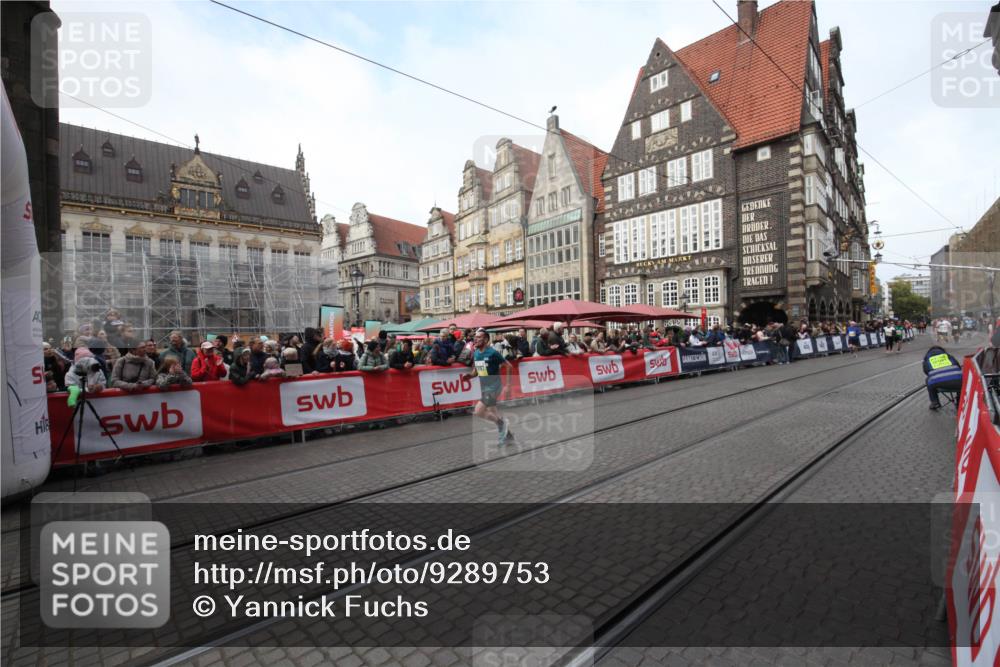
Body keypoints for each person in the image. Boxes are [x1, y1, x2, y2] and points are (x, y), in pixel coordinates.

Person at [465, 328, 515, 446]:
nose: (475, 339)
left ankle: (502, 424)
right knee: (493, 412)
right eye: (474, 337)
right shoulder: (476, 352)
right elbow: (477, 371)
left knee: (478, 411)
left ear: (486, 339)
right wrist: (470, 376)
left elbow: (509, 366)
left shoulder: (493, 353)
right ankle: (508, 436)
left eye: (478, 337)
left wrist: (508, 385)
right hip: (485, 387)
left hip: (494, 387)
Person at [922, 346, 963, 410]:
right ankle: (960, 402)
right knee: (960, 378)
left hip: (939, 383)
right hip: (958, 383)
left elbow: (926, 372)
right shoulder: (949, 356)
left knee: (928, 380)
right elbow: (959, 367)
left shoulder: (927, 359)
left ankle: (935, 402)